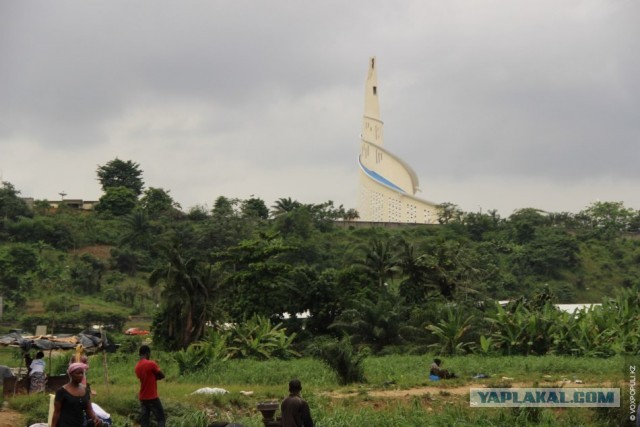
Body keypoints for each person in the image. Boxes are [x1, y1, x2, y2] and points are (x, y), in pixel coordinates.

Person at [51, 362, 103, 427]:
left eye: (82, 373)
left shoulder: (85, 389)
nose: (81, 375)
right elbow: (56, 413)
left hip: (80, 424)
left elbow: (89, 409)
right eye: (78, 373)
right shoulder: (61, 391)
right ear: (71, 374)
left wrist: (96, 418)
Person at [135, 345, 166, 427]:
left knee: (145, 421)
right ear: (147, 353)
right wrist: (156, 377)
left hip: (143, 398)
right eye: (149, 354)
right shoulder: (151, 363)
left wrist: (154, 377)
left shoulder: (137, 366)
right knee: (161, 419)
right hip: (152, 397)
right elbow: (162, 375)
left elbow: (146, 377)